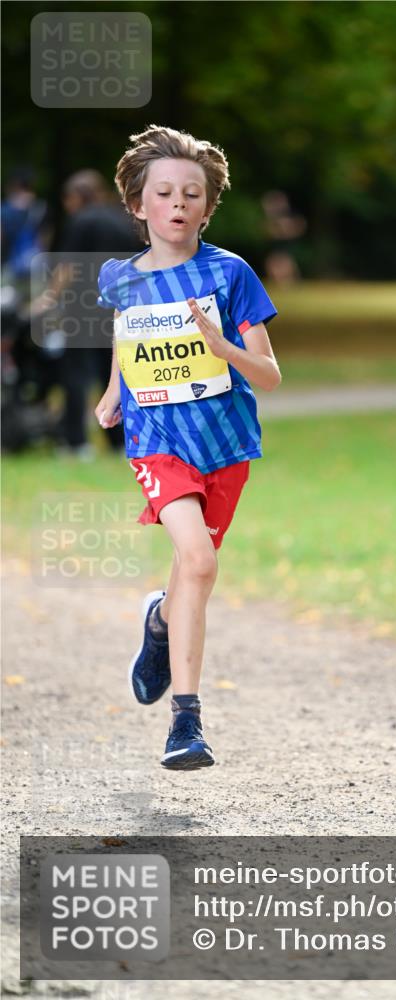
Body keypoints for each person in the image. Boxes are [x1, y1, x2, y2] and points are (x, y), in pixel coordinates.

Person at [94, 125, 281, 769]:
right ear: (138, 204)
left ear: (207, 205)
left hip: (226, 445)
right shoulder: (119, 279)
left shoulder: (230, 274)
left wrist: (222, 347)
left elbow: (269, 373)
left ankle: (158, 623)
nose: (178, 203)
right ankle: (187, 725)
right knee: (198, 563)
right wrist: (115, 390)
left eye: (192, 194)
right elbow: (130, 340)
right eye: (165, 192)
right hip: (157, 444)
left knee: (188, 576)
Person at [30, 169, 144, 458]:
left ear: (76, 197)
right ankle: (121, 442)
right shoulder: (124, 222)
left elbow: (67, 266)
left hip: (83, 309)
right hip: (121, 309)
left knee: (76, 377)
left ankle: (77, 442)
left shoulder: (81, 221)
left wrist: (47, 298)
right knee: (118, 374)